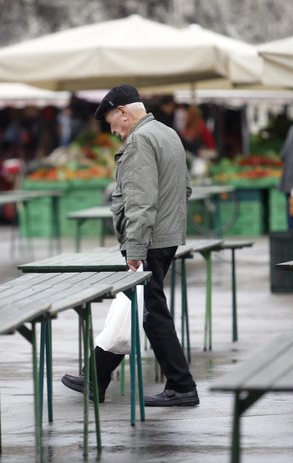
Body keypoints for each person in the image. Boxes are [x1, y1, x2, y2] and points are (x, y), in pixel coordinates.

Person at [61, 84, 199, 407]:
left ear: (123, 112)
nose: (112, 130)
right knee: (134, 306)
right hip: (165, 236)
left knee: (151, 313)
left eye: (112, 122)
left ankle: (182, 386)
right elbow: (186, 189)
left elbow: (140, 203)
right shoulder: (168, 134)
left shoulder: (139, 141)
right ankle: (96, 376)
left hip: (148, 241)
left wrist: (135, 250)